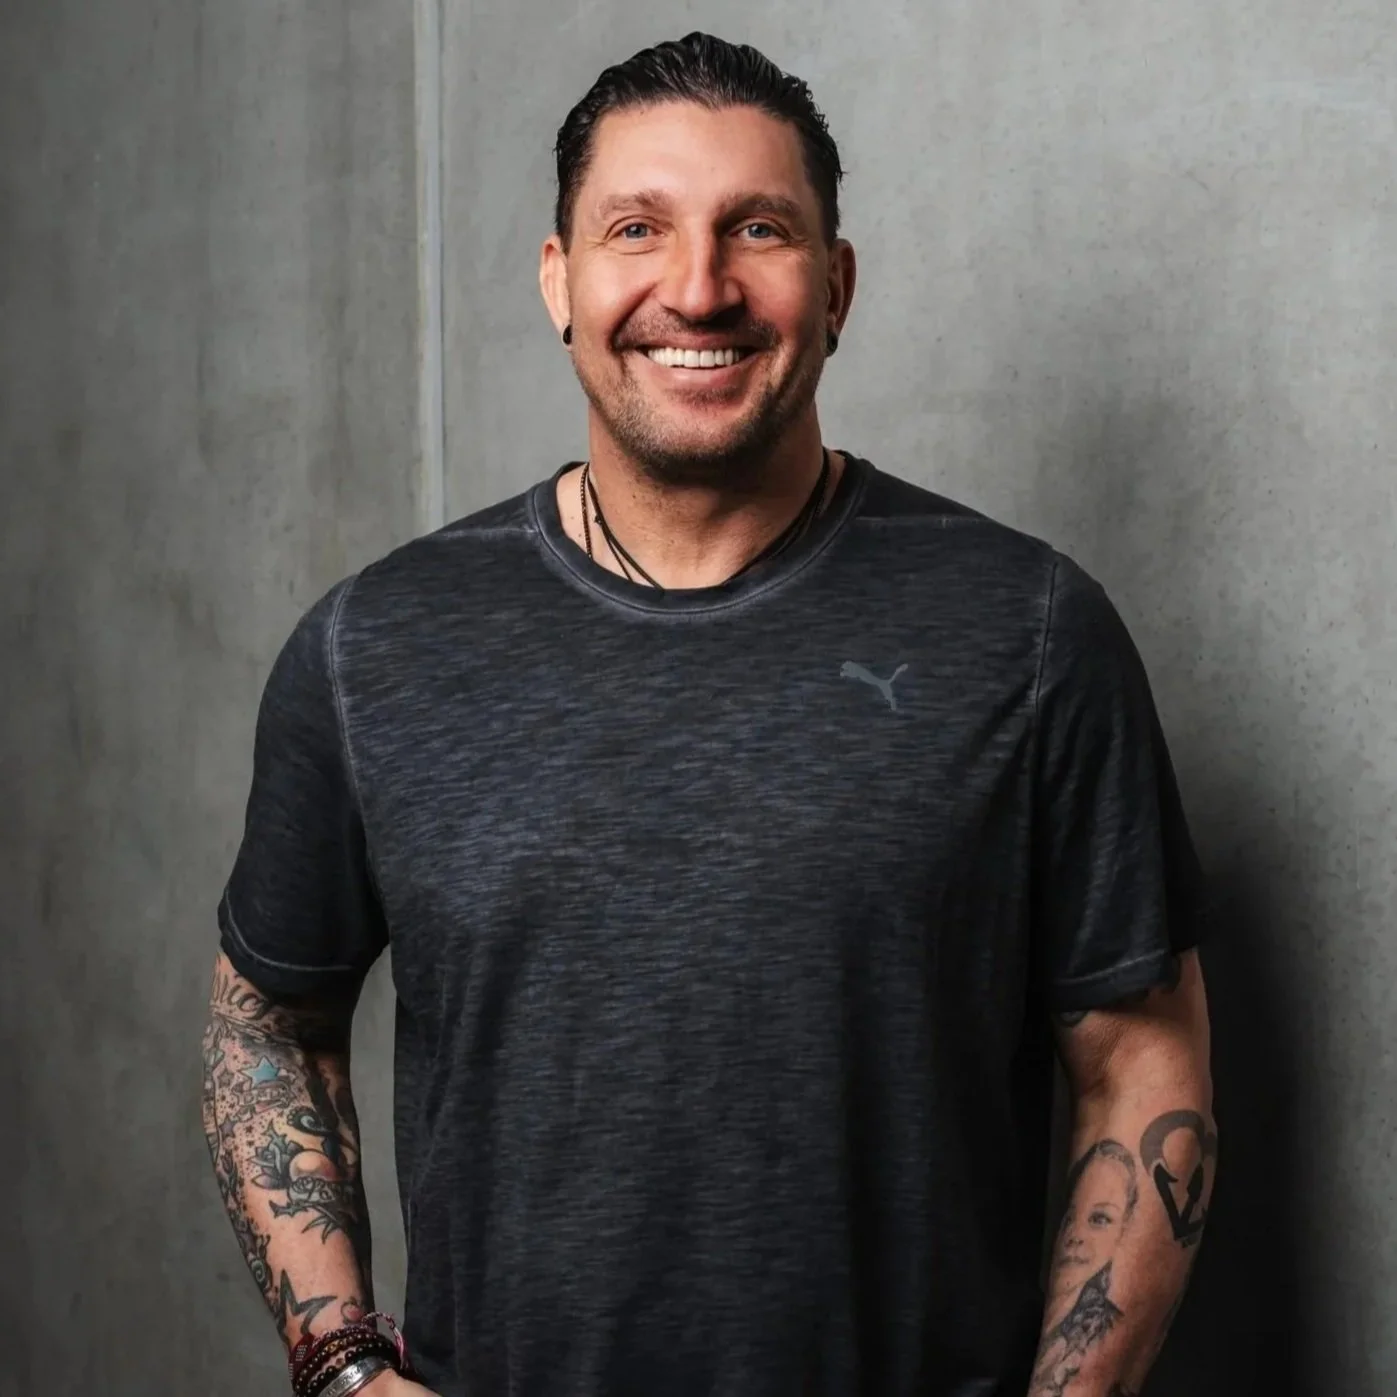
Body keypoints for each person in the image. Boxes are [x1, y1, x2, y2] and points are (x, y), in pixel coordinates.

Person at [201, 31, 1217, 1397]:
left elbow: (1142, 1055)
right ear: (558, 280)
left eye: (759, 229)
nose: (697, 287)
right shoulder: (376, 645)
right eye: (637, 228)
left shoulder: (1029, 632)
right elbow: (268, 1021)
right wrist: (341, 1368)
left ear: (836, 284)